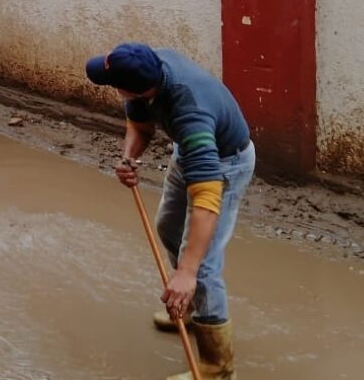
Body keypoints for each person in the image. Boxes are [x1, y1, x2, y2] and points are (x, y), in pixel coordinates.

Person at [85, 43, 253, 380]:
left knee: (202, 264)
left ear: (129, 87)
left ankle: (217, 368)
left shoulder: (190, 114)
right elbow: (141, 126)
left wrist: (187, 273)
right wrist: (128, 158)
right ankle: (190, 306)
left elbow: (207, 196)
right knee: (168, 228)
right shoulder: (147, 67)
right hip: (186, 152)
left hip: (224, 162)